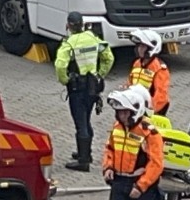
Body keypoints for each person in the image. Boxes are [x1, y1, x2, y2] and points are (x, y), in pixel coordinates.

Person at [55, 11, 114, 172]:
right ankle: (85, 153)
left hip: (77, 89)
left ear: (68, 25)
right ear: (82, 24)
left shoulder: (69, 43)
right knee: (86, 120)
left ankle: (83, 162)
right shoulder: (93, 38)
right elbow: (109, 57)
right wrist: (100, 74)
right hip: (92, 88)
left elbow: (60, 65)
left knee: (80, 123)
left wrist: (65, 80)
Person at [102, 89, 164, 200]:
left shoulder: (149, 132)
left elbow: (156, 164)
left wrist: (140, 186)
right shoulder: (117, 127)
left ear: (135, 112)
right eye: (119, 112)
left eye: (125, 112)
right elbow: (110, 149)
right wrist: (108, 167)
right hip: (119, 183)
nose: (122, 116)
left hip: (139, 184)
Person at [126, 30, 171, 115]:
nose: (139, 49)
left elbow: (161, 94)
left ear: (151, 48)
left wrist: (150, 109)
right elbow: (130, 83)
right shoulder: (137, 63)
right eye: (139, 46)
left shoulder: (159, 68)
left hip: (153, 109)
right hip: (138, 106)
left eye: (143, 47)